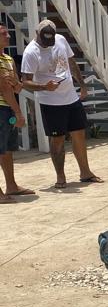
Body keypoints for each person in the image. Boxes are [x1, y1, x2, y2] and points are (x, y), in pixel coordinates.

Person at [21, 19, 103, 190]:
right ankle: (60, 176)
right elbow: (25, 82)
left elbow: (71, 63)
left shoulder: (60, 39)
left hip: (70, 97)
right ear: (38, 34)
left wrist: (82, 85)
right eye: (45, 41)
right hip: (51, 102)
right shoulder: (31, 52)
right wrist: (44, 86)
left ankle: (85, 172)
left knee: (79, 134)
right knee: (57, 139)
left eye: (50, 40)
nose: (48, 44)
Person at [0, 23, 58, 202]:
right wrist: (18, 112)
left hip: (7, 107)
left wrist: (15, 84)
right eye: (4, 33)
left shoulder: (8, 60)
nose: (8, 36)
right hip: (2, 108)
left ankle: (11, 186)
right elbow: (5, 88)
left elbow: (17, 87)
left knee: (8, 149)